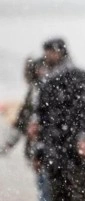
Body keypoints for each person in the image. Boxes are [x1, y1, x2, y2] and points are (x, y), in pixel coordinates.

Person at [34, 38, 85, 201]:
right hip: (61, 153)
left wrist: (84, 137)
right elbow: (43, 119)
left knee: (69, 193)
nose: (46, 57)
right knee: (72, 193)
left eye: (49, 53)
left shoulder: (55, 81)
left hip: (66, 152)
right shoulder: (50, 81)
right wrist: (40, 152)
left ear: (58, 53)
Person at [0, 57, 50, 201]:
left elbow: (24, 120)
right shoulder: (36, 89)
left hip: (47, 151)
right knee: (45, 188)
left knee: (47, 190)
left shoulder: (44, 90)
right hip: (42, 152)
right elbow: (23, 120)